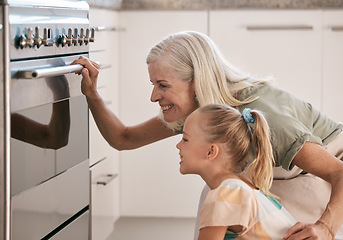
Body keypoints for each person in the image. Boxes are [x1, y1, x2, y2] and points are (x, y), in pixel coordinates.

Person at [72, 31, 343, 239]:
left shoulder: (267, 117)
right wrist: (92, 94)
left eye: (163, 85)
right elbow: (124, 139)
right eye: (153, 84)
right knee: (221, 193)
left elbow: (338, 172)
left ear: (197, 83)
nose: (153, 96)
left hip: (322, 173)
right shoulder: (198, 113)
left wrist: (326, 227)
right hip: (280, 171)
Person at [176, 104, 297, 239]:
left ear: (211, 151)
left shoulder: (226, 194)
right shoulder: (244, 189)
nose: (178, 145)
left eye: (185, 139)